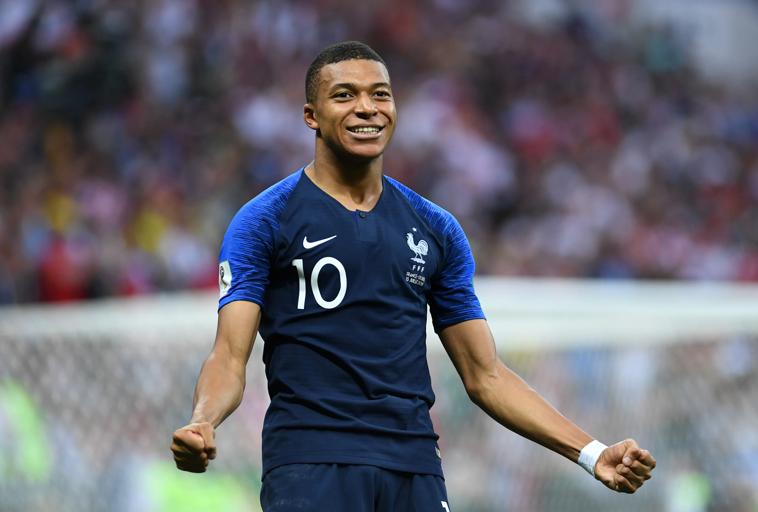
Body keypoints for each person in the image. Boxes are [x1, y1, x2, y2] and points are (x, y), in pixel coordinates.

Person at [170, 41, 656, 511]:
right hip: (311, 463)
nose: (367, 108)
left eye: (380, 93)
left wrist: (591, 453)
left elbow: (485, 375)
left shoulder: (436, 229)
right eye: (345, 95)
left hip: (415, 464)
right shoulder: (264, 221)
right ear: (310, 117)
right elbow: (230, 356)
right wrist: (203, 421)